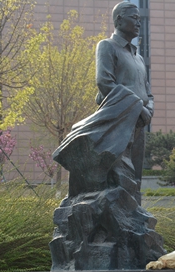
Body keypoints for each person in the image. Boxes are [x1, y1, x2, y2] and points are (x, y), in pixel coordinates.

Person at [53, 2, 152, 202]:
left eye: (139, 19)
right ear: (119, 20)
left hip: (139, 124)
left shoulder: (139, 58)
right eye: (134, 18)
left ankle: (133, 216)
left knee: (135, 177)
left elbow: (148, 93)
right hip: (117, 122)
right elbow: (105, 82)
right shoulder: (107, 46)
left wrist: (148, 110)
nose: (138, 22)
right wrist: (137, 108)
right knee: (117, 177)